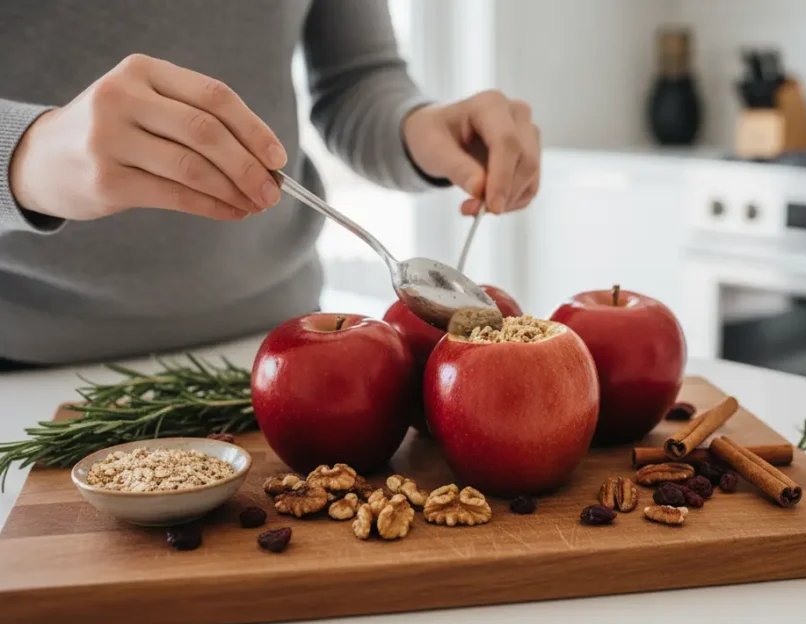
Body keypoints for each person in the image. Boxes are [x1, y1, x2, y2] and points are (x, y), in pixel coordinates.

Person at [0, 0, 541, 368]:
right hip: (28, 371)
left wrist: (414, 128)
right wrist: (25, 153)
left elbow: (358, 75)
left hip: (282, 349)